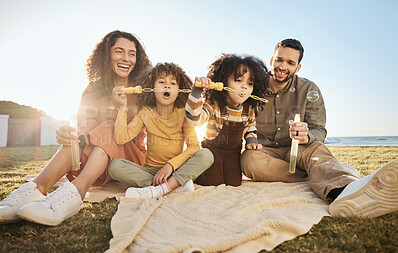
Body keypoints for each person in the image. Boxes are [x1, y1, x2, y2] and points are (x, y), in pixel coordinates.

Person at [0, 30, 152, 226]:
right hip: (96, 160)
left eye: (132, 54)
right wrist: (69, 134)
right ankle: (37, 188)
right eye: (119, 51)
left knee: (108, 126)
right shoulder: (92, 90)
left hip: (130, 159)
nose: (126, 58)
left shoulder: (143, 90)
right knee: (80, 133)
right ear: (107, 55)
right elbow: (84, 128)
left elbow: (174, 106)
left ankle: (75, 193)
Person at [241, 38, 398, 218]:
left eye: (290, 62)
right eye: (279, 60)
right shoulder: (252, 86)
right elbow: (231, 102)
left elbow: (320, 129)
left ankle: (345, 192)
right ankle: (320, 174)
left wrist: (307, 136)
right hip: (264, 152)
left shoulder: (308, 88)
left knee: (316, 150)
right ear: (272, 60)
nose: (282, 66)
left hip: (300, 148)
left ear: (297, 68)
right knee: (248, 160)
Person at [108, 62, 214, 199]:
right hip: (151, 172)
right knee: (115, 166)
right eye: (161, 81)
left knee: (206, 155)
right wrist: (122, 107)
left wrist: (170, 165)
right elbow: (121, 138)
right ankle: (173, 186)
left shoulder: (183, 114)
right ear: (152, 87)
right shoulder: (145, 113)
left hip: (176, 169)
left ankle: (161, 187)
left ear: (179, 90)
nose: (167, 86)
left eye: (173, 83)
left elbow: (194, 147)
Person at [186, 54, 269, 186]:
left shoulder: (249, 109)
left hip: (233, 154)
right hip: (212, 151)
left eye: (250, 83)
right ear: (224, 81)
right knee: (213, 181)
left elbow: (250, 128)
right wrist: (197, 91)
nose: (244, 87)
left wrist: (251, 140)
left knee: (234, 182)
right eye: (238, 80)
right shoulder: (214, 104)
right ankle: (193, 169)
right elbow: (194, 118)